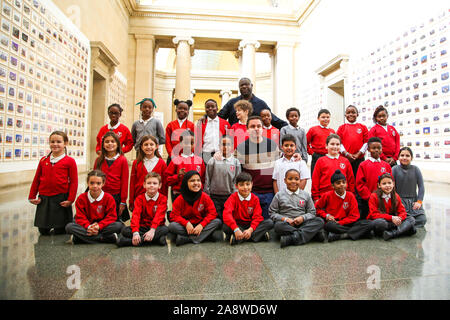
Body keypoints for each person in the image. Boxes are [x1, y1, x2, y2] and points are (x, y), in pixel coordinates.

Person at [28, 131, 78, 235]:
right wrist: (32, 195)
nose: (55, 144)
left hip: (61, 198)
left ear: (65, 143)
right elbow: (36, 179)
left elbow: (74, 182)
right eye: (52, 141)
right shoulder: (43, 160)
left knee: (60, 230)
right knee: (43, 230)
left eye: (59, 142)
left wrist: (70, 199)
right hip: (44, 198)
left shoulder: (70, 161)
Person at [236, 116, 279, 219]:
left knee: (267, 222)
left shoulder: (272, 145)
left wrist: (296, 156)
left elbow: (282, 164)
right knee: (251, 222)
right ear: (247, 130)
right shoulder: (241, 148)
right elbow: (235, 167)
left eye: (259, 126)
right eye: (252, 126)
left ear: (262, 128)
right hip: (250, 193)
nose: (256, 128)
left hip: (270, 193)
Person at [269, 169, 325, 248]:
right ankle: (310, 235)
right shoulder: (279, 195)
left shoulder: (305, 195)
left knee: (319, 221)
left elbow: (312, 212)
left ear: (300, 180)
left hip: (303, 223)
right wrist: (285, 219)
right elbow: (272, 213)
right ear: (285, 180)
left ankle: (291, 238)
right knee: (278, 226)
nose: (293, 181)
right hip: (287, 224)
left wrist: (302, 217)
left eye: (296, 179)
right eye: (290, 179)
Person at [65, 170, 123, 244]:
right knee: (69, 227)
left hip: (103, 226)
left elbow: (111, 217)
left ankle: (79, 239)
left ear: (103, 184)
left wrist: (99, 226)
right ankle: (105, 238)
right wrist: (89, 227)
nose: (95, 186)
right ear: (88, 183)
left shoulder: (109, 198)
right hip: (87, 226)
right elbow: (80, 217)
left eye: (98, 183)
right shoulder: (81, 198)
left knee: (118, 226)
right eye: (92, 183)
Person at [315, 170, 373, 242]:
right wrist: (326, 215)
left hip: (347, 223)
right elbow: (317, 209)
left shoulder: (350, 196)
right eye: (338, 183)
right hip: (334, 224)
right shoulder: (327, 195)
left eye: (344, 182)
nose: (342, 184)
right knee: (329, 226)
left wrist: (341, 222)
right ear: (333, 186)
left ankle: (343, 235)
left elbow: (355, 216)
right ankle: (359, 233)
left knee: (369, 223)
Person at [168, 171, 223, 246]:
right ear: (186, 183)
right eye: (192, 181)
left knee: (217, 221)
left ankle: (188, 239)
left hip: (201, 225)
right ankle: (205, 236)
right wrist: (186, 223)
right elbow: (173, 215)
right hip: (187, 227)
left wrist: (202, 225)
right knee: (172, 226)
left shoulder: (205, 197)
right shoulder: (180, 199)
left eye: (198, 180)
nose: (196, 183)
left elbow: (212, 213)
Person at [118, 172, 169, 247]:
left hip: (156, 227)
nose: (151, 185)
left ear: (160, 186)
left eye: (155, 183)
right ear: (144, 185)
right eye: (149, 183)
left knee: (165, 229)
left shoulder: (163, 199)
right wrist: (135, 232)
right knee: (125, 230)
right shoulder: (139, 198)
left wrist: (152, 230)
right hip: (142, 227)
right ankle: (156, 240)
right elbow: (136, 216)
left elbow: (159, 216)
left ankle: (130, 242)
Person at [222, 172, 274, 245]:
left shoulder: (255, 199)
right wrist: (236, 229)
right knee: (225, 226)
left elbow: (257, 216)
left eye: (247, 184)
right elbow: (227, 214)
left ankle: (239, 238)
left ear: (252, 184)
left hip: (250, 225)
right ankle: (258, 236)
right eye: (241, 185)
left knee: (269, 223)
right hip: (238, 225)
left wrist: (250, 230)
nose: (245, 187)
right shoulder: (232, 198)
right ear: (236, 186)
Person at [218, 77, 287, 129]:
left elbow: (273, 120)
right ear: (239, 88)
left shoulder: (261, 104)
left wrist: (289, 128)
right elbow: (219, 117)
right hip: (236, 139)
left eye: (246, 84)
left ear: (252, 86)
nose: (244, 86)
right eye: (242, 85)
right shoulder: (232, 103)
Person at [367, 173, 416, 240]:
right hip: (383, 221)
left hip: (393, 222)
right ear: (379, 185)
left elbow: (402, 211)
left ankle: (393, 234)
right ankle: (401, 230)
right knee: (380, 223)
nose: (387, 185)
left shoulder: (396, 196)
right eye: (384, 184)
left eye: (389, 183)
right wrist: (392, 218)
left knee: (411, 219)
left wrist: (399, 218)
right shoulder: (374, 196)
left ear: (393, 184)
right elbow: (373, 214)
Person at [94, 131, 130, 222]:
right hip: (100, 195)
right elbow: (93, 179)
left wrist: (123, 201)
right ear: (103, 144)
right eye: (107, 142)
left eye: (113, 141)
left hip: (116, 197)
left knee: (114, 221)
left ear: (118, 144)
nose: (110, 144)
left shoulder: (122, 160)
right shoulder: (98, 160)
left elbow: (125, 182)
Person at [204, 135, 241, 220]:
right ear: (219, 146)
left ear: (232, 146)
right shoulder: (212, 160)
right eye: (223, 144)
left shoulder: (236, 162)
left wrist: (234, 195)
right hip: (214, 196)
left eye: (228, 144)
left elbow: (237, 180)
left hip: (229, 196)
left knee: (227, 218)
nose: (225, 147)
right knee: (216, 219)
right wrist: (207, 194)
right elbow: (207, 178)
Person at [165, 130, 206, 204]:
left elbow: (203, 179)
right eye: (186, 143)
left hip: (196, 195)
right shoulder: (175, 160)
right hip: (179, 195)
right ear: (181, 143)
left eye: (192, 143)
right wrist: (178, 176)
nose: (189, 145)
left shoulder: (199, 160)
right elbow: (167, 180)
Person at [355, 137, 392, 219]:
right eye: (373, 148)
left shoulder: (386, 165)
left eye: (379, 148)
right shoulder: (363, 165)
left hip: (384, 200)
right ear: (368, 149)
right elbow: (360, 184)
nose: (376, 150)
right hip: (368, 201)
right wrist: (370, 197)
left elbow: (391, 183)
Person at [311, 134, 355, 202]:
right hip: (324, 198)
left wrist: (350, 196)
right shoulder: (320, 161)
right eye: (332, 144)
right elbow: (315, 181)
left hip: (342, 198)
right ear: (326, 146)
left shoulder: (345, 161)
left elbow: (351, 180)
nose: (335, 146)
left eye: (337, 144)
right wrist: (316, 198)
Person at [129, 135, 167, 212]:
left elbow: (164, 185)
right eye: (146, 144)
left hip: (156, 200)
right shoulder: (136, 163)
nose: (148, 147)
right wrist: (131, 201)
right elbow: (132, 183)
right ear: (142, 147)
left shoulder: (162, 163)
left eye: (151, 144)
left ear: (156, 146)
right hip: (139, 198)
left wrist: (165, 202)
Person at [392, 147, 427, 228]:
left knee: (422, 219)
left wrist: (419, 201)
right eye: (402, 155)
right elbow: (392, 189)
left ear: (411, 158)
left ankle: (406, 226)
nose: (404, 158)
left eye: (407, 156)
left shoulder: (416, 169)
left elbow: (421, 186)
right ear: (398, 157)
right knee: (401, 217)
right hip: (399, 201)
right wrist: (396, 202)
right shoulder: (394, 169)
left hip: (413, 202)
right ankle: (408, 225)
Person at [194, 99, 230, 165]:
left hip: (221, 153)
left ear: (217, 108)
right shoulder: (201, 123)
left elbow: (229, 140)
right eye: (207, 107)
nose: (210, 108)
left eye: (213, 106)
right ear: (205, 109)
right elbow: (197, 140)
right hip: (206, 154)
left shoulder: (225, 123)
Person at [336, 105, 369, 177]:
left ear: (357, 114)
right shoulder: (341, 128)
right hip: (345, 159)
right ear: (345, 115)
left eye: (353, 112)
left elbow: (366, 143)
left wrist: (358, 154)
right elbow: (338, 142)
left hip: (359, 159)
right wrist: (347, 154)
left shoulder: (363, 127)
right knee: (346, 179)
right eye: (348, 112)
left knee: (359, 178)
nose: (350, 114)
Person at [306, 109, 335, 175]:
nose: (326, 119)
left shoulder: (332, 131)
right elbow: (305, 143)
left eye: (327, 117)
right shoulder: (313, 129)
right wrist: (312, 153)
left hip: (328, 156)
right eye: (323, 117)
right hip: (316, 156)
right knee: (315, 176)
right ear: (318, 118)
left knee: (328, 176)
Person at [165, 99, 194, 164]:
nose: (182, 110)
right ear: (176, 110)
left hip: (187, 156)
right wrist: (172, 155)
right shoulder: (170, 125)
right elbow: (168, 142)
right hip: (173, 157)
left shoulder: (192, 125)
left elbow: (194, 142)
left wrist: (189, 154)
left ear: (188, 111)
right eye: (180, 108)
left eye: (185, 109)